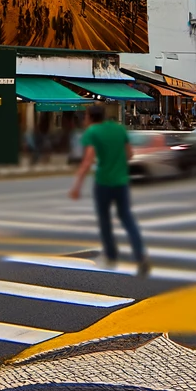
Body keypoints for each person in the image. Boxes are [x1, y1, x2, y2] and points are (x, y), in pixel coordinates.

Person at [70, 104, 149, 276]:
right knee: (127, 218)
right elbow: (130, 154)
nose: (84, 119)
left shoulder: (92, 133)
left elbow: (87, 161)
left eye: (85, 116)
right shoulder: (118, 129)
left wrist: (77, 186)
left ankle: (111, 256)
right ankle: (140, 255)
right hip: (121, 181)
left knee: (105, 221)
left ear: (90, 117)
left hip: (104, 182)